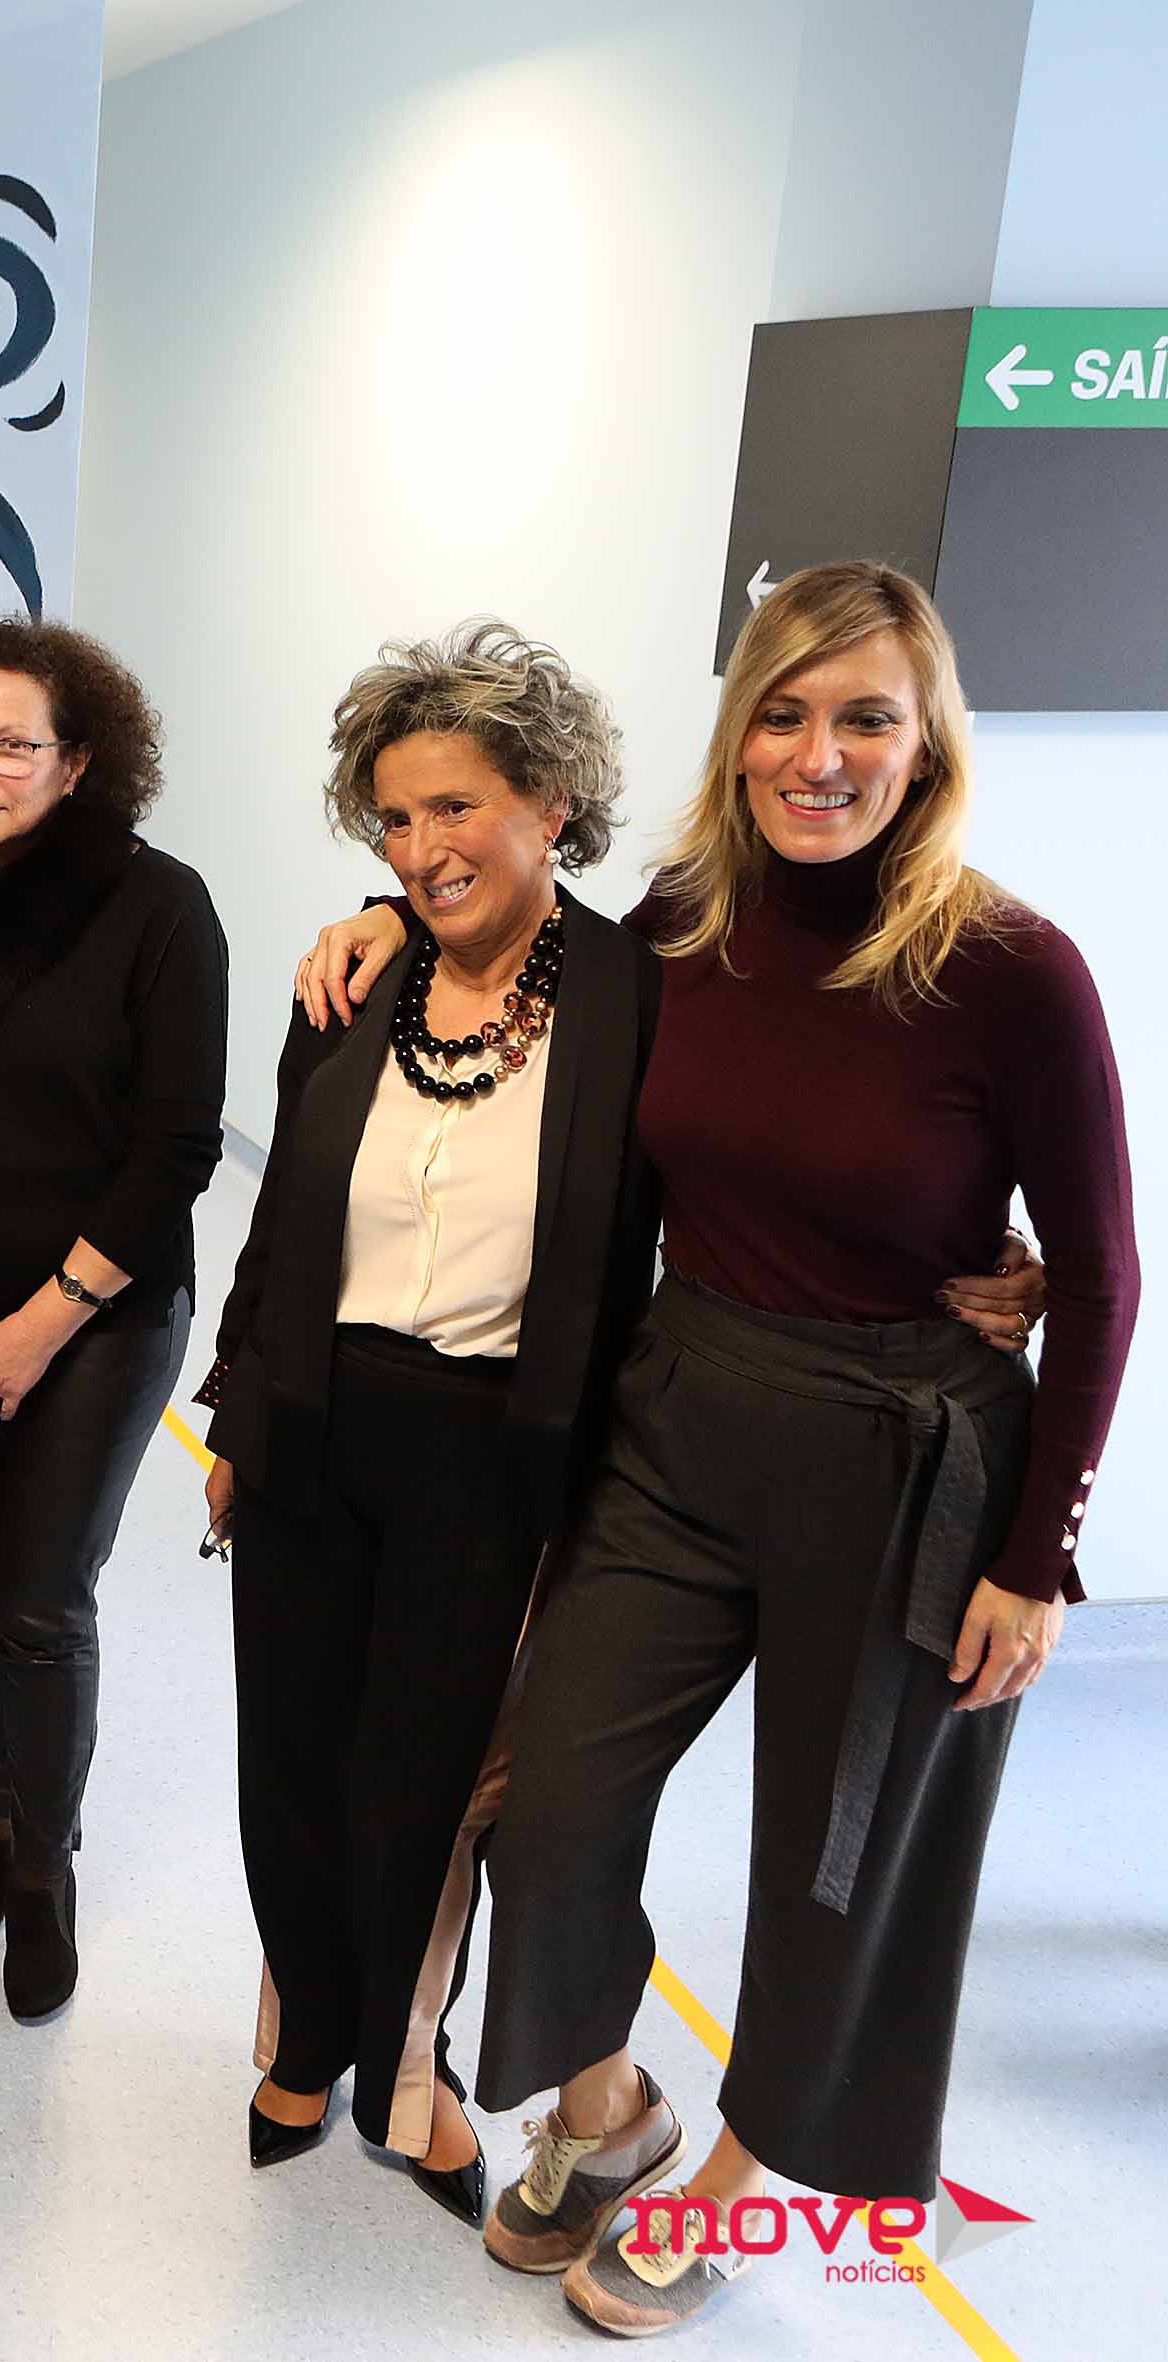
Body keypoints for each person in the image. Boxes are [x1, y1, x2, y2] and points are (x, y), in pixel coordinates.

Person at [299, 563, 1128, 2333]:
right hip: (682, 1418)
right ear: (739, 732)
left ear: (928, 743)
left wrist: (1036, 1555)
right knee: (551, 1799)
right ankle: (613, 2109)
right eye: (784, 713)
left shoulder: (1012, 970)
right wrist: (383, 923)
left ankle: (747, 2181)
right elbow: (525, 949)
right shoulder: (691, 918)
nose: (819, 755)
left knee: (832, 1865)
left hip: (900, 1454)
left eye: (866, 718)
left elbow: (1108, 1274)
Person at [200, 622, 652, 2219]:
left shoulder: (633, 997)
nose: (418, 848)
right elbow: (281, 1218)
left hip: (489, 1448)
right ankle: (300, 2035)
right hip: (316, 1414)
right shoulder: (355, 979)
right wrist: (235, 1412)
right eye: (393, 817)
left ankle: (409, 2064)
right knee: (288, 1762)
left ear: (550, 799)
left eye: (454, 806)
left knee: (426, 1784)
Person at [0, 614, 224, 2021]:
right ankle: (3, 1826)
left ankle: (44, 1872)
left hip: (99, 1317)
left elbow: (173, 1151)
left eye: (13, 745)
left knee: (43, 1593)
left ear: (79, 763)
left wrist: (41, 1323)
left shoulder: (162, 908)